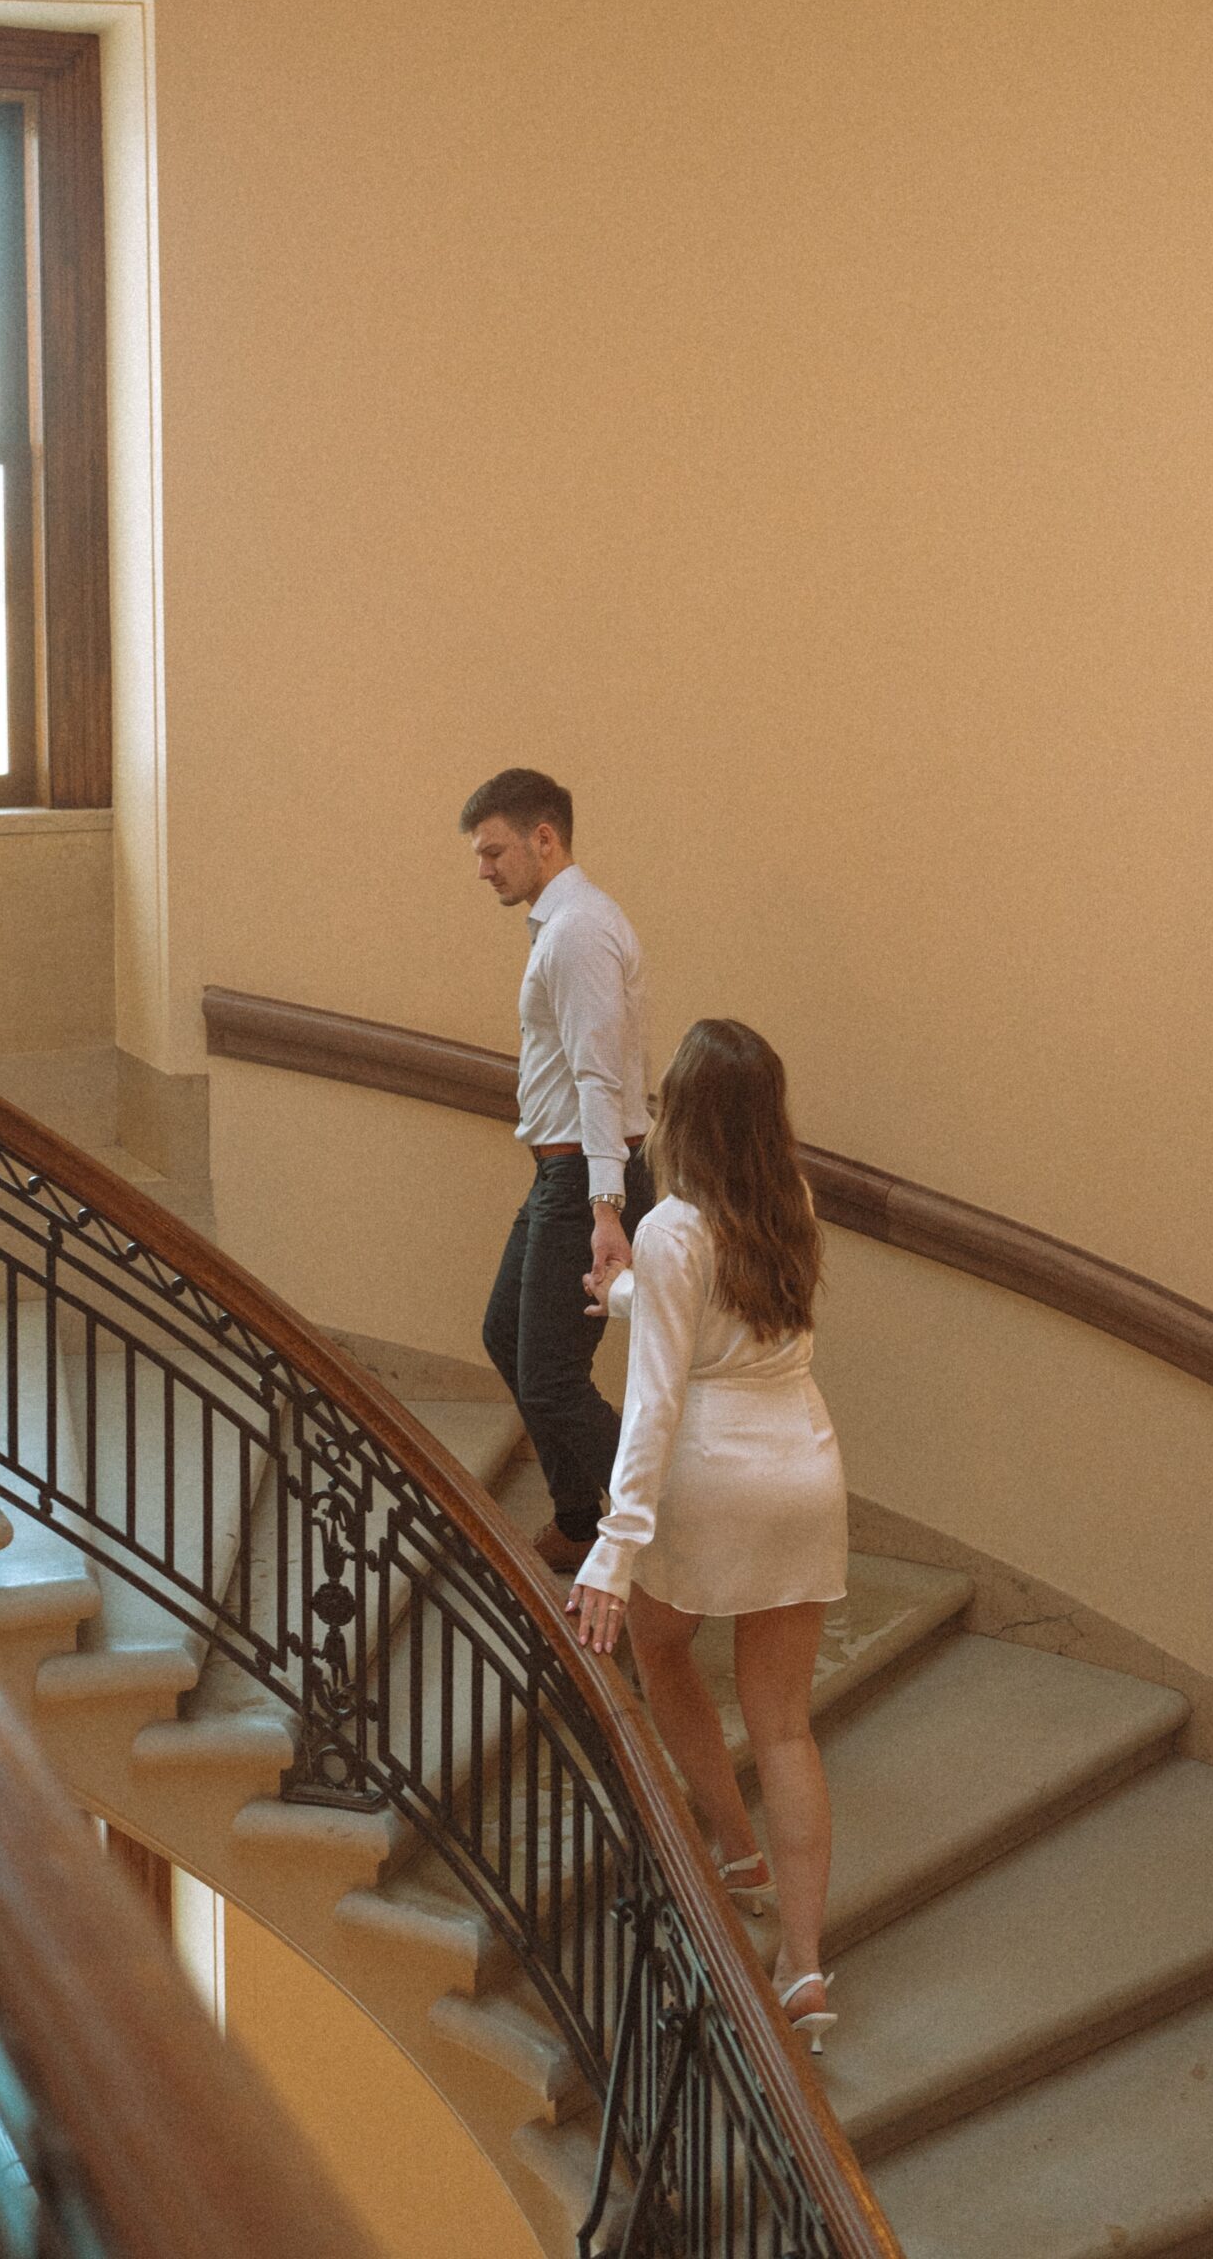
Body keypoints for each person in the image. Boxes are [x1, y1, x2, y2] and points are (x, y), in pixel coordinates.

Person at [566, 1018, 847, 2053]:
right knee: (784, 1726)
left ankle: (733, 1847)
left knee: (659, 1642)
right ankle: (806, 1969)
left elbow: (652, 1408)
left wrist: (612, 1545)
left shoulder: (671, 1227)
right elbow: (716, 1305)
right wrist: (629, 1297)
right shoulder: (790, 1205)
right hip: (805, 1469)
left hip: (713, 1479)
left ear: (678, 1114)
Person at [462, 767, 653, 1575]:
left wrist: (607, 1206)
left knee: (549, 1377)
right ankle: (580, 1521)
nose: (485, 869)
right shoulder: (564, 923)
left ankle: (670, 1516)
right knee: (508, 1336)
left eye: (496, 850)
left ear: (546, 838)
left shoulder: (577, 930)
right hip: (563, 1177)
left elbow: (600, 1077)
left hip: (584, 1182)